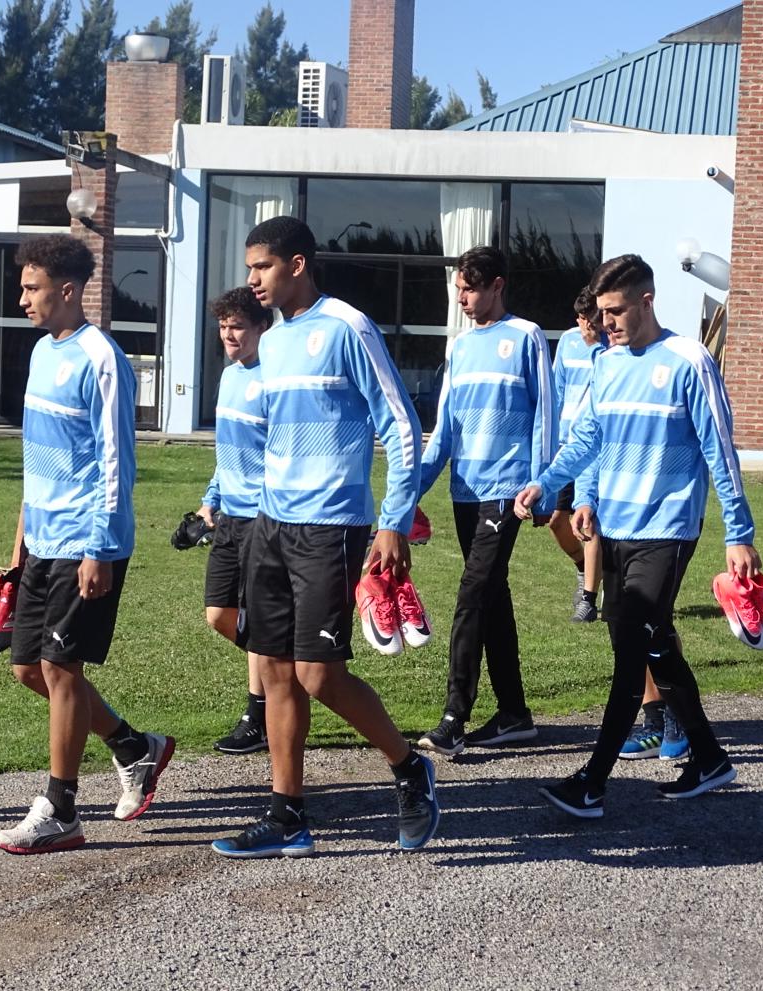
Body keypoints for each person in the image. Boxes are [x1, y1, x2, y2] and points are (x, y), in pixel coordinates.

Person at [211, 216, 439, 858]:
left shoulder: (346, 327)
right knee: (274, 671)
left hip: (331, 527)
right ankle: (287, 817)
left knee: (318, 675)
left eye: (262, 266)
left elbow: (400, 425)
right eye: (250, 268)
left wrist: (394, 519)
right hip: (269, 525)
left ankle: (408, 768)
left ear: (298, 264)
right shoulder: (274, 341)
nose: (253, 279)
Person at [515, 253, 763, 815]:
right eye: (601, 313)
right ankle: (709, 758)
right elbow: (588, 439)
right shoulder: (606, 363)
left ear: (647, 301)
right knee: (652, 643)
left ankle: (592, 782)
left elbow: (720, 453)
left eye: (616, 311)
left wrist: (738, 533)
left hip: (668, 528)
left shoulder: (689, 361)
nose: (606, 323)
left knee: (631, 648)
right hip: (617, 527)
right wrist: (549, 484)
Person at [0, 235, 174, 855]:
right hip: (42, 540)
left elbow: (117, 461)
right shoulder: (42, 352)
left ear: (67, 290)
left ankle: (60, 808)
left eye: (32, 288)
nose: (22, 299)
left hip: (86, 540)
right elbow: (37, 460)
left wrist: (98, 547)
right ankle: (132, 745)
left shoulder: (102, 358)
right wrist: (19, 542)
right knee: (27, 668)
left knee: (59, 668)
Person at [415, 246, 556, 757]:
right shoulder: (459, 347)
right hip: (465, 491)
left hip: (507, 492)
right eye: (458, 290)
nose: (462, 299)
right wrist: (410, 492)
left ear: (497, 285)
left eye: (470, 289)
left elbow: (546, 416)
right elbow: (445, 429)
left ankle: (455, 716)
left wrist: (543, 487)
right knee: (492, 597)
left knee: (472, 596)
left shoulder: (527, 336)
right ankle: (515, 714)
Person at [199, 287, 274, 753]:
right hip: (228, 516)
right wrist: (209, 500)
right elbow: (227, 452)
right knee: (219, 614)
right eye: (224, 326)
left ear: (262, 328)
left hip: (264, 518)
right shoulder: (229, 376)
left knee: (257, 618)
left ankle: (257, 716)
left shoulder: (274, 380)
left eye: (238, 326)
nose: (229, 335)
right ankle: (282, 671)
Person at [550, 287, 605, 622]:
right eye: (582, 319)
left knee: (588, 520)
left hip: (595, 446)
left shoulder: (611, 346)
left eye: (591, 319)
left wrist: (597, 345)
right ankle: (585, 567)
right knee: (557, 521)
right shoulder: (568, 342)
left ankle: (588, 599)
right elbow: (557, 391)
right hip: (566, 445)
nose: (586, 325)